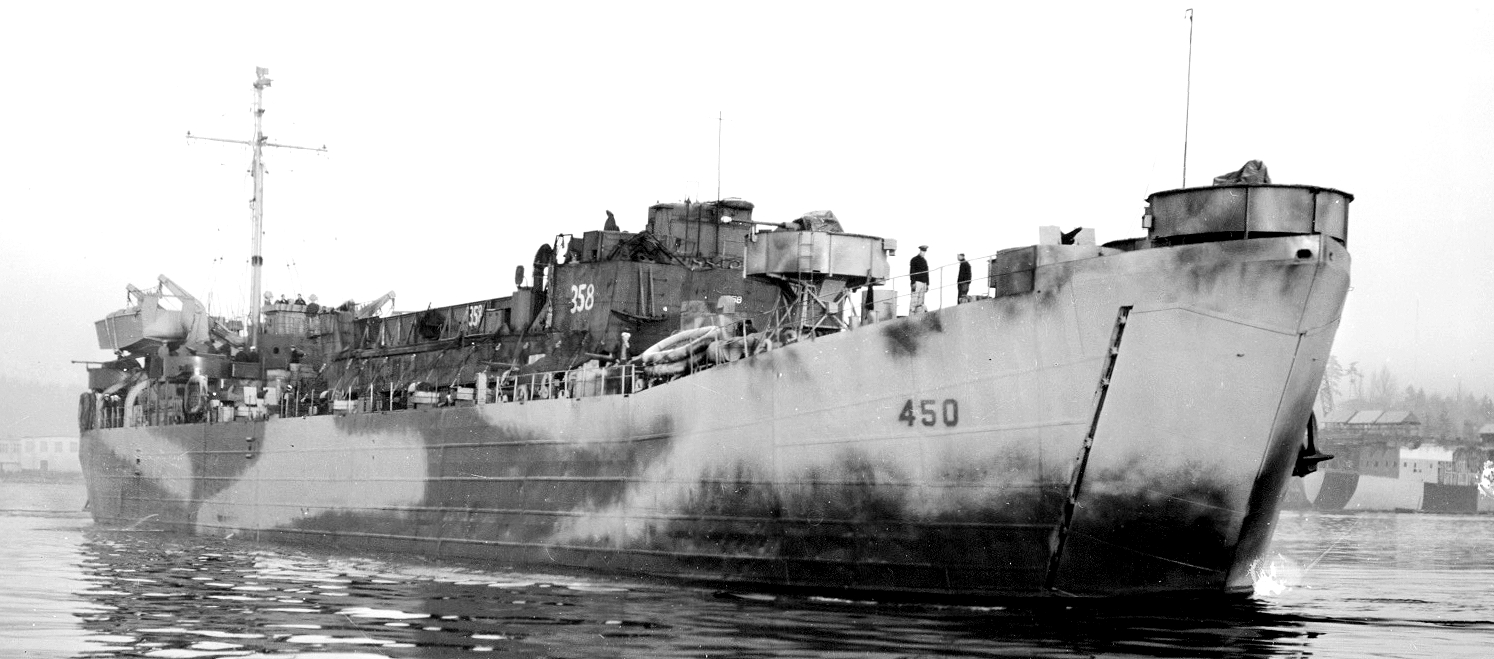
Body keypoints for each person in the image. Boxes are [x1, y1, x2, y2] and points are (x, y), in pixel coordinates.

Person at [909, 245, 929, 314]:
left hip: (923, 283)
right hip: (917, 282)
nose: (923, 253)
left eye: (924, 251)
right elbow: (912, 271)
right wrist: (913, 282)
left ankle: (918, 315)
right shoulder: (914, 260)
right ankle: (911, 315)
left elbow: (926, 273)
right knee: (914, 301)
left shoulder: (924, 261)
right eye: (922, 251)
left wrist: (927, 284)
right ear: (920, 251)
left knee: (920, 302)